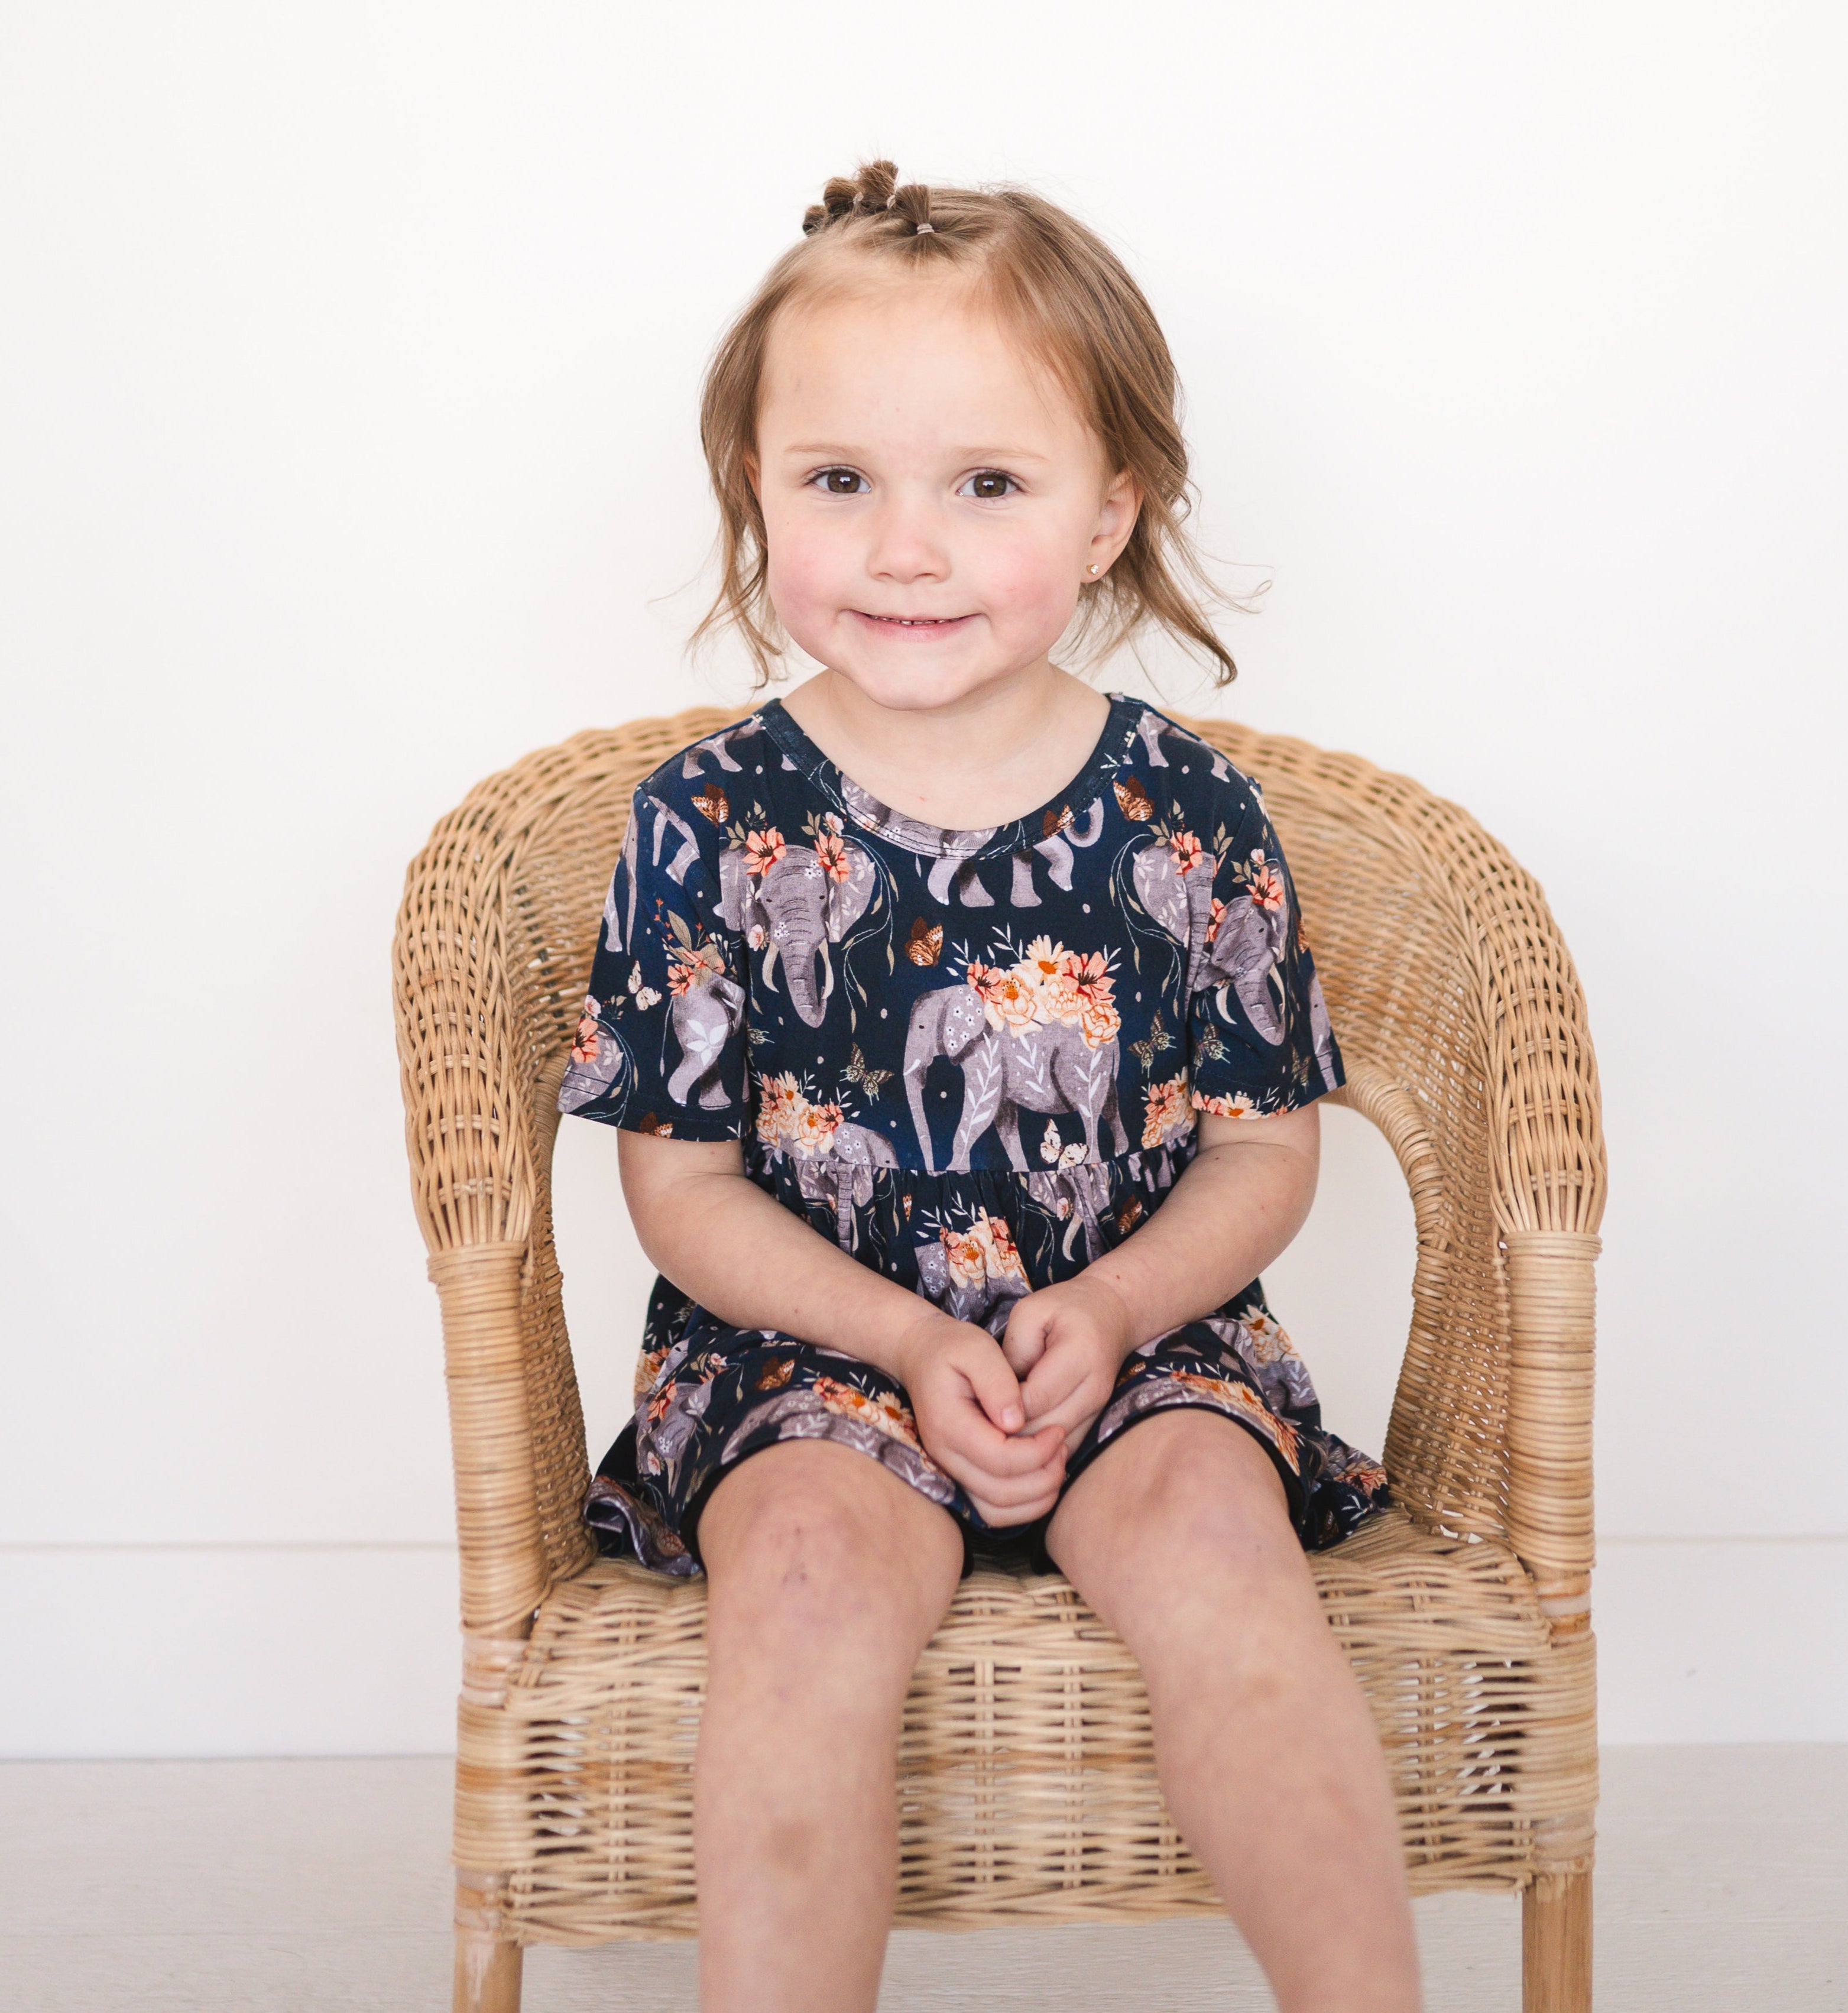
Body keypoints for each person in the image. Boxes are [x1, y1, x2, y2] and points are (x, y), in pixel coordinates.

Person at [559, 158, 1422, 2013]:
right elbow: (681, 1186)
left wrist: (1109, 1310)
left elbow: (1267, 1151)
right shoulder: (705, 824)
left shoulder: (1191, 816)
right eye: (839, 480)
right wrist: (896, 1337)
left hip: (1140, 1342)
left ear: (1112, 514)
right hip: (807, 1359)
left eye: (989, 485)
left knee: (1217, 1542)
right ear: (758, 496)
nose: (905, 547)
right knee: (796, 1581)